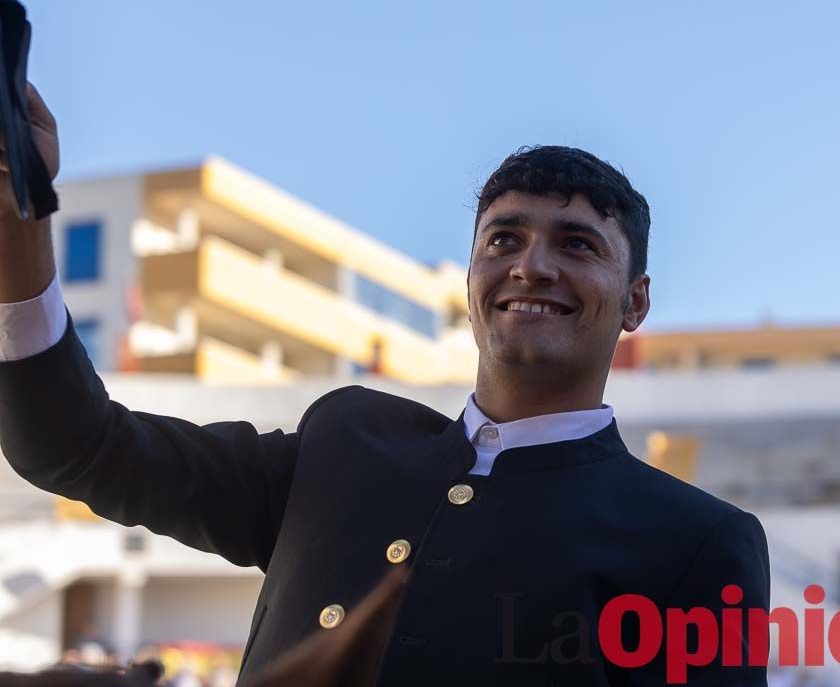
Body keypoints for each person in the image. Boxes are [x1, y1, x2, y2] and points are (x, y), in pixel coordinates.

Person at [0, 86, 771, 684]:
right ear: (471, 276)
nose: (531, 265)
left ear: (635, 299)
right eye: (504, 238)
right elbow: (79, 449)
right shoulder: (343, 442)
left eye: (576, 244)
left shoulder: (696, 544)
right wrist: (21, 220)